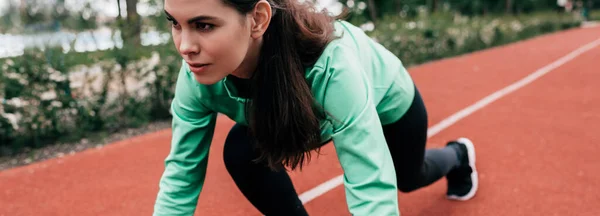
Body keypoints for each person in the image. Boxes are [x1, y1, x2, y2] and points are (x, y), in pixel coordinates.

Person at [153, 0, 479, 215]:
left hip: (386, 99)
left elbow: (369, 183)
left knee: (408, 177)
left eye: (204, 25)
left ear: (258, 20)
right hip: (293, 110)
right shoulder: (194, 78)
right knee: (241, 149)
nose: (185, 46)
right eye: (175, 24)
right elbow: (182, 172)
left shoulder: (332, 68)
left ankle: (459, 156)